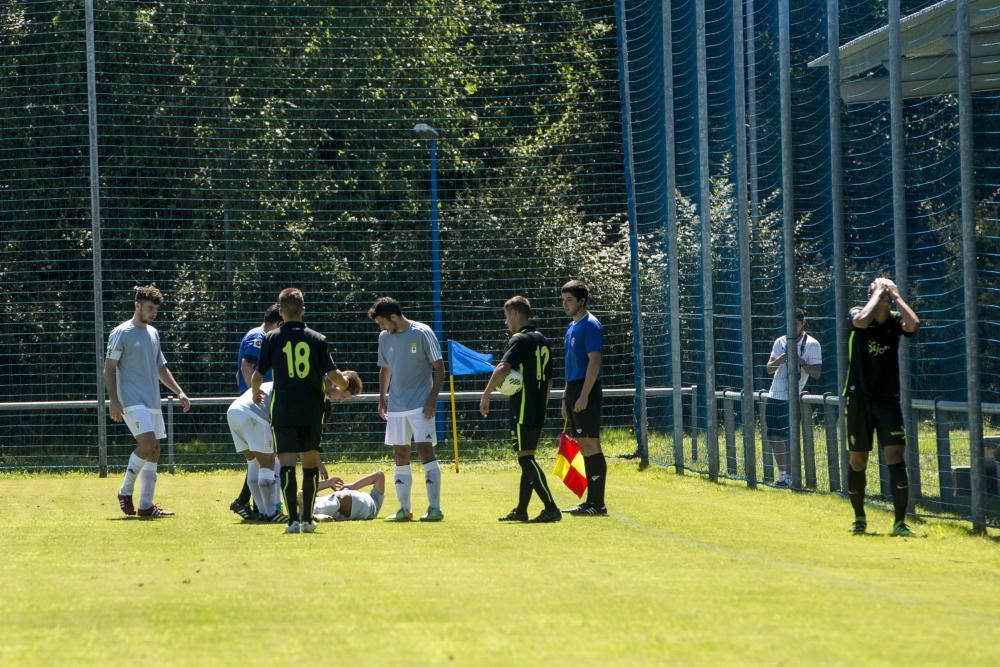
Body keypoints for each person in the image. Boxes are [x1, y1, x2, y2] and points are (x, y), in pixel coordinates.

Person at [252, 288, 353, 534]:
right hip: (311, 409)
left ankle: (292, 521)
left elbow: (257, 375)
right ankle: (307, 519)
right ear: (303, 310)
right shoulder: (318, 339)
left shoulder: (271, 339)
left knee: (286, 463)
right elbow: (333, 375)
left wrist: (256, 392)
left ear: (280, 311)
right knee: (309, 463)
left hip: (284, 409)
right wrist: (344, 384)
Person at [228, 372, 361, 524]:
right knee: (270, 463)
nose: (338, 400)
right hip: (254, 413)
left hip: (235, 411)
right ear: (337, 384)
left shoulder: (310, 382)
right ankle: (271, 513)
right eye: (342, 396)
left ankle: (264, 511)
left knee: (254, 463)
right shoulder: (313, 391)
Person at [105, 285, 191, 517]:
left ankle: (146, 506)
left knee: (155, 450)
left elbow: (160, 367)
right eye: (150, 308)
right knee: (147, 444)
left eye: (156, 310)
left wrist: (179, 391)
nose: (153, 313)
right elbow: (109, 369)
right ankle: (125, 491)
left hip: (152, 400)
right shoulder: (121, 332)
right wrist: (113, 400)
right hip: (130, 400)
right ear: (138, 305)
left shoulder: (153, 333)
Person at [844, 276, 920, 537]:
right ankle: (859, 517)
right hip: (859, 400)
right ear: (870, 295)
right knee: (858, 460)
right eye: (881, 292)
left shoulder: (896, 321)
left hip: (888, 400)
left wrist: (897, 296)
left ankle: (899, 523)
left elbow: (914, 324)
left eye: (887, 292)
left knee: (895, 456)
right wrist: (877, 292)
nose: (885, 295)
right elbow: (860, 321)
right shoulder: (857, 312)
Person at [480, 296, 561, 523]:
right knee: (527, 456)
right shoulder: (542, 340)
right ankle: (521, 510)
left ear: (515, 314)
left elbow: (504, 367)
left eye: (507, 317)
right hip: (537, 406)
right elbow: (550, 379)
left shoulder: (519, 339)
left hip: (524, 406)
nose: (506, 323)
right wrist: (542, 406)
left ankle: (551, 508)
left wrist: (486, 393)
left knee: (526, 459)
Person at [368, 297, 446, 522]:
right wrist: (382, 398)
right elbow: (385, 369)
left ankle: (435, 508)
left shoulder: (422, 332)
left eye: (383, 323)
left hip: (421, 404)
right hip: (396, 407)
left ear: (393, 317)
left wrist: (432, 399)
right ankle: (405, 509)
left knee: (424, 451)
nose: (382, 328)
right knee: (400, 454)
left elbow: (439, 368)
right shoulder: (384, 338)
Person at [230, 304, 283, 520]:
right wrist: (253, 393)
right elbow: (246, 367)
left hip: (259, 404)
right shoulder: (259, 336)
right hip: (255, 406)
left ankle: (248, 503)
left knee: (258, 459)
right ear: (279, 323)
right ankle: (265, 509)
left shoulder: (262, 336)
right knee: (267, 458)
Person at [559, 280, 607, 516]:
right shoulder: (571, 327)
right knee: (583, 444)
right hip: (574, 389)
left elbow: (594, 361)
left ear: (582, 301)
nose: (565, 304)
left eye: (569, 300)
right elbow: (571, 366)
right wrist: (566, 396)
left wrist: (585, 395)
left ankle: (598, 504)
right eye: (563, 300)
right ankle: (590, 501)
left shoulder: (591, 325)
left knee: (591, 443)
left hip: (587, 390)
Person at [765, 308, 822, 487]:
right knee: (774, 436)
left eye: (798, 321)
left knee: (787, 437)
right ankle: (782, 475)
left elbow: (817, 373)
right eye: (791, 321)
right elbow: (769, 369)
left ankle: (791, 475)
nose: (794, 325)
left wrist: (801, 362)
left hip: (792, 397)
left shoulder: (812, 344)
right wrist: (780, 360)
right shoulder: (780, 342)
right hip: (774, 394)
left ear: (803, 322)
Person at [310, 470, 386, 522]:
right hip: (343, 506)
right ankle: (309, 512)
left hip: (353, 503)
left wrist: (328, 483)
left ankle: (308, 512)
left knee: (340, 499)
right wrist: (353, 486)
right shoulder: (373, 502)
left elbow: (379, 476)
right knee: (336, 500)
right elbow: (379, 475)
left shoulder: (374, 504)